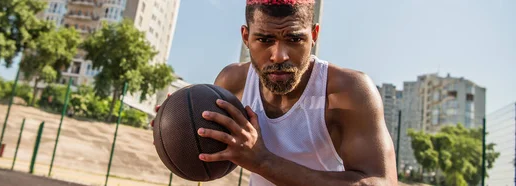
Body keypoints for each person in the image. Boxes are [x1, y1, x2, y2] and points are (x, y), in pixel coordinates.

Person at [154, 0, 397, 185]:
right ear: (246, 37)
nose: (279, 55)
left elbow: (380, 182)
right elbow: (204, 144)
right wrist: (174, 127)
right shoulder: (233, 82)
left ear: (313, 36)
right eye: (265, 39)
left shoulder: (348, 91)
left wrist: (264, 162)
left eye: (293, 39)